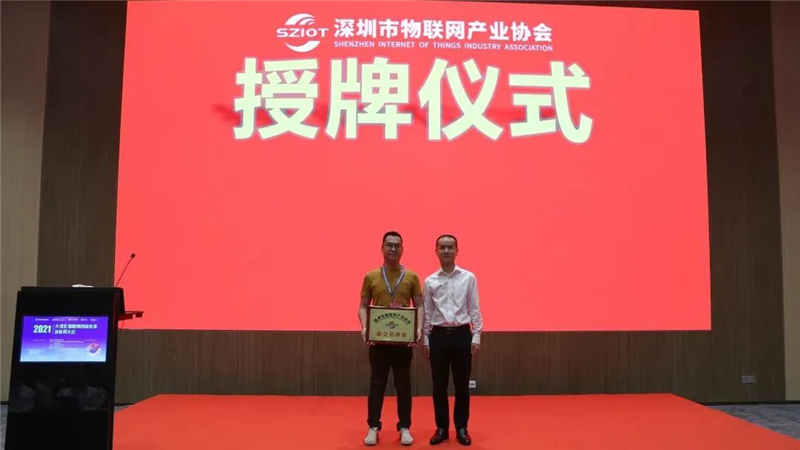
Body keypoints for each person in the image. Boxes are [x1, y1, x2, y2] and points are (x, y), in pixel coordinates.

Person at [359, 231, 423, 446]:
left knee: (404, 385)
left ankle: (404, 427)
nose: (393, 249)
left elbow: (420, 306)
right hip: (378, 341)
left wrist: (418, 328)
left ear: (402, 249)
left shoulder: (412, 277)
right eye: (389, 245)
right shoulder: (371, 277)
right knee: (376, 384)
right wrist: (365, 327)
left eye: (397, 245)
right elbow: (362, 306)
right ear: (382, 248)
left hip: (403, 342)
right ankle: (373, 427)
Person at [423, 234, 483, 446]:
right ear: (436, 251)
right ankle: (441, 428)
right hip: (438, 336)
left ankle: (461, 428)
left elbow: (474, 308)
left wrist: (476, 334)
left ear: (457, 251)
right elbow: (427, 312)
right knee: (438, 386)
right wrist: (426, 339)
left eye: (450, 247)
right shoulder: (429, 281)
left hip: (461, 335)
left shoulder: (468, 278)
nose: (446, 251)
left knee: (462, 386)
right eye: (442, 247)